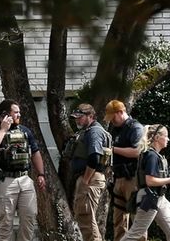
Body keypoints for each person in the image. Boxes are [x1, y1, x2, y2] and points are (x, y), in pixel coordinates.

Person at [0, 99, 46, 241]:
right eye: (16, 112)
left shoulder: (25, 131)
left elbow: (35, 152)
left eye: (19, 112)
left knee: (29, 218)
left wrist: (41, 174)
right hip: (4, 181)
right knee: (5, 222)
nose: (19, 115)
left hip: (25, 179)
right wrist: (3, 129)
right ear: (5, 114)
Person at [120, 124, 170, 241]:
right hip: (149, 198)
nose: (168, 139)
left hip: (159, 198)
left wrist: (169, 178)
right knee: (135, 234)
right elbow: (150, 181)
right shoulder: (151, 156)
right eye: (166, 136)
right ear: (157, 138)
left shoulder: (155, 155)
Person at [69, 103, 112, 241]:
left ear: (91, 116)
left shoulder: (94, 132)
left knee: (86, 218)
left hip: (90, 178)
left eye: (80, 117)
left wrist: (85, 181)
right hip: (89, 177)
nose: (77, 120)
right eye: (76, 118)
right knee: (85, 218)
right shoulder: (87, 131)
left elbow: (94, 158)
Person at [105, 100, 145, 241]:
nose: (111, 121)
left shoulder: (135, 128)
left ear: (121, 112)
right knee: (118, 219)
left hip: (132, 178)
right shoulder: (115, 129)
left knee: (137, 218)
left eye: (113, 117)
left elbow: (136, 151)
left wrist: (113, 150)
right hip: (118, 177)